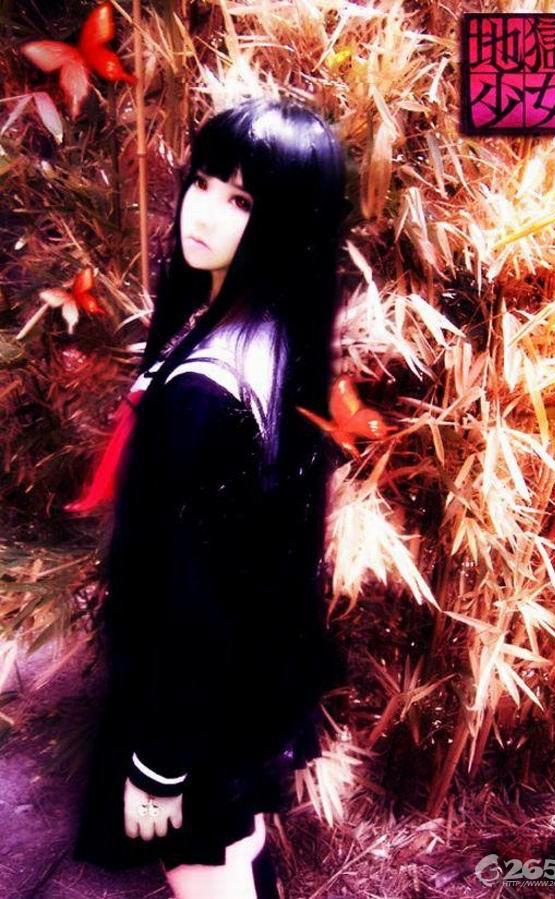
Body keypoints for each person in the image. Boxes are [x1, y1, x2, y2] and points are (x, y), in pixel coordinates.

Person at [71, 97, 350, 898]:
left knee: (206, 866)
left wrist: (159, 763)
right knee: (238, 851)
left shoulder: (211, 389)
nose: (204, 211)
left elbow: (197, 597)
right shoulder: (272, 333)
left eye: (242, 199)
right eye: (202, 183)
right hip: (238, 691)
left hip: (194, 707)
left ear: (286, 221)